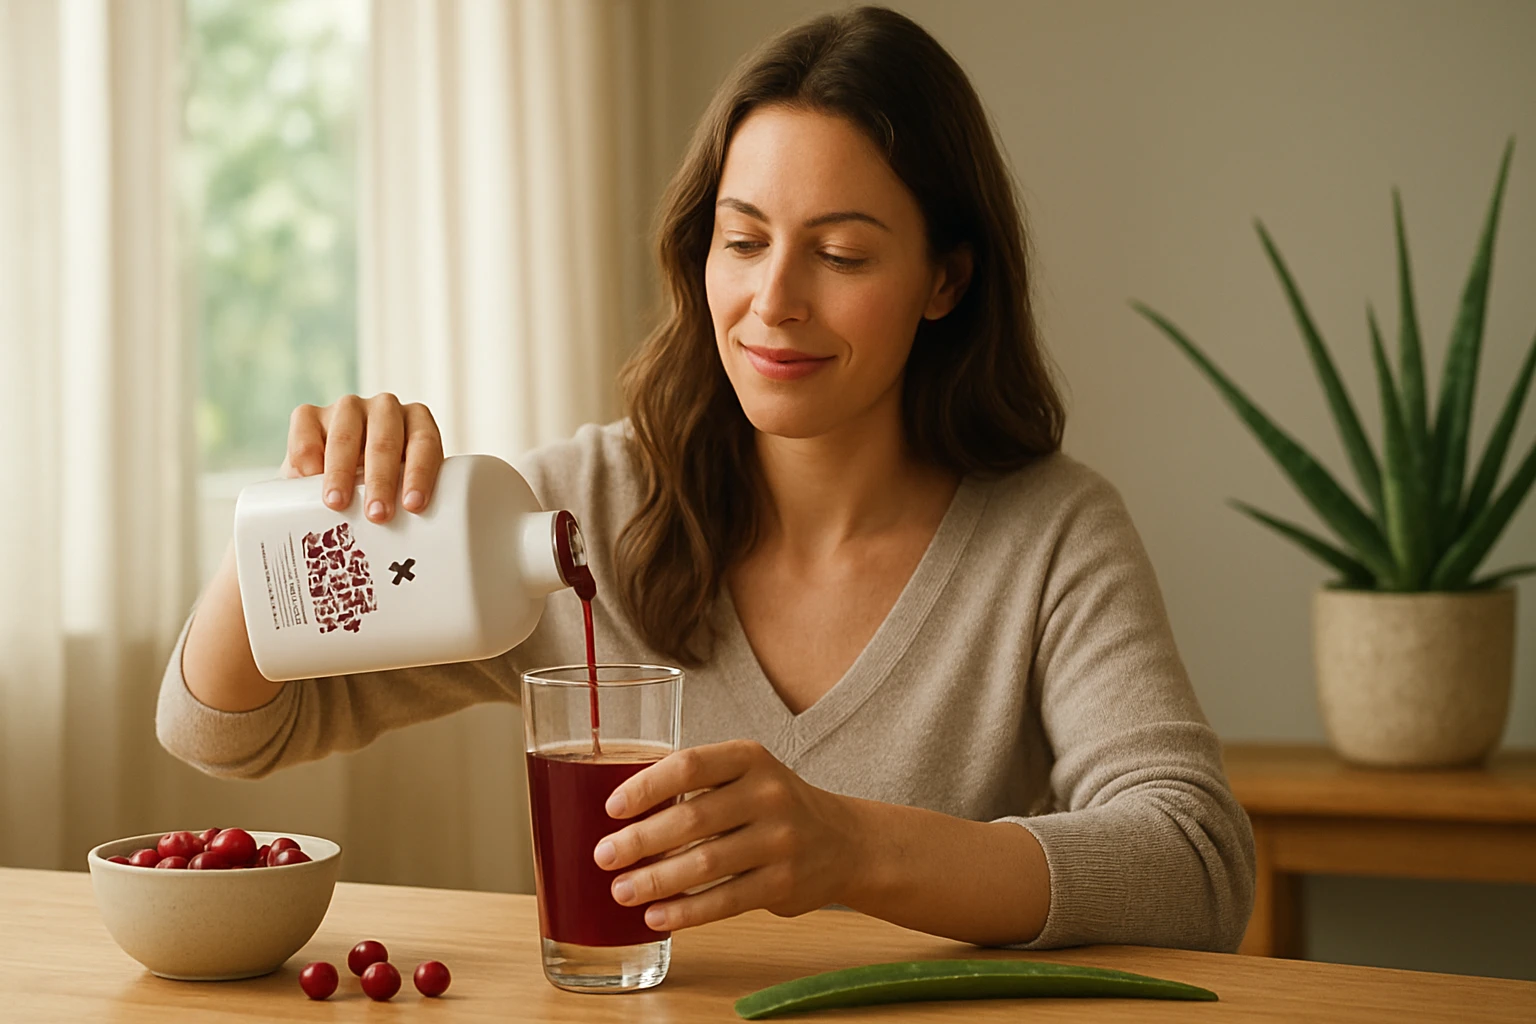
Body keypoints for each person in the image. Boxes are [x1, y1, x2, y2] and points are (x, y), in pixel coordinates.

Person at [159, 5, 1254, 951]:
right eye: (743, 239)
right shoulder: (570, 520)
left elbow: (1196, 863)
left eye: (842, 254)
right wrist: (309, 519)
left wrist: (852, 845)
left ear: (944, 279)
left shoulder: (1049, 533)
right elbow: (222, 729)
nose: (773, 301)